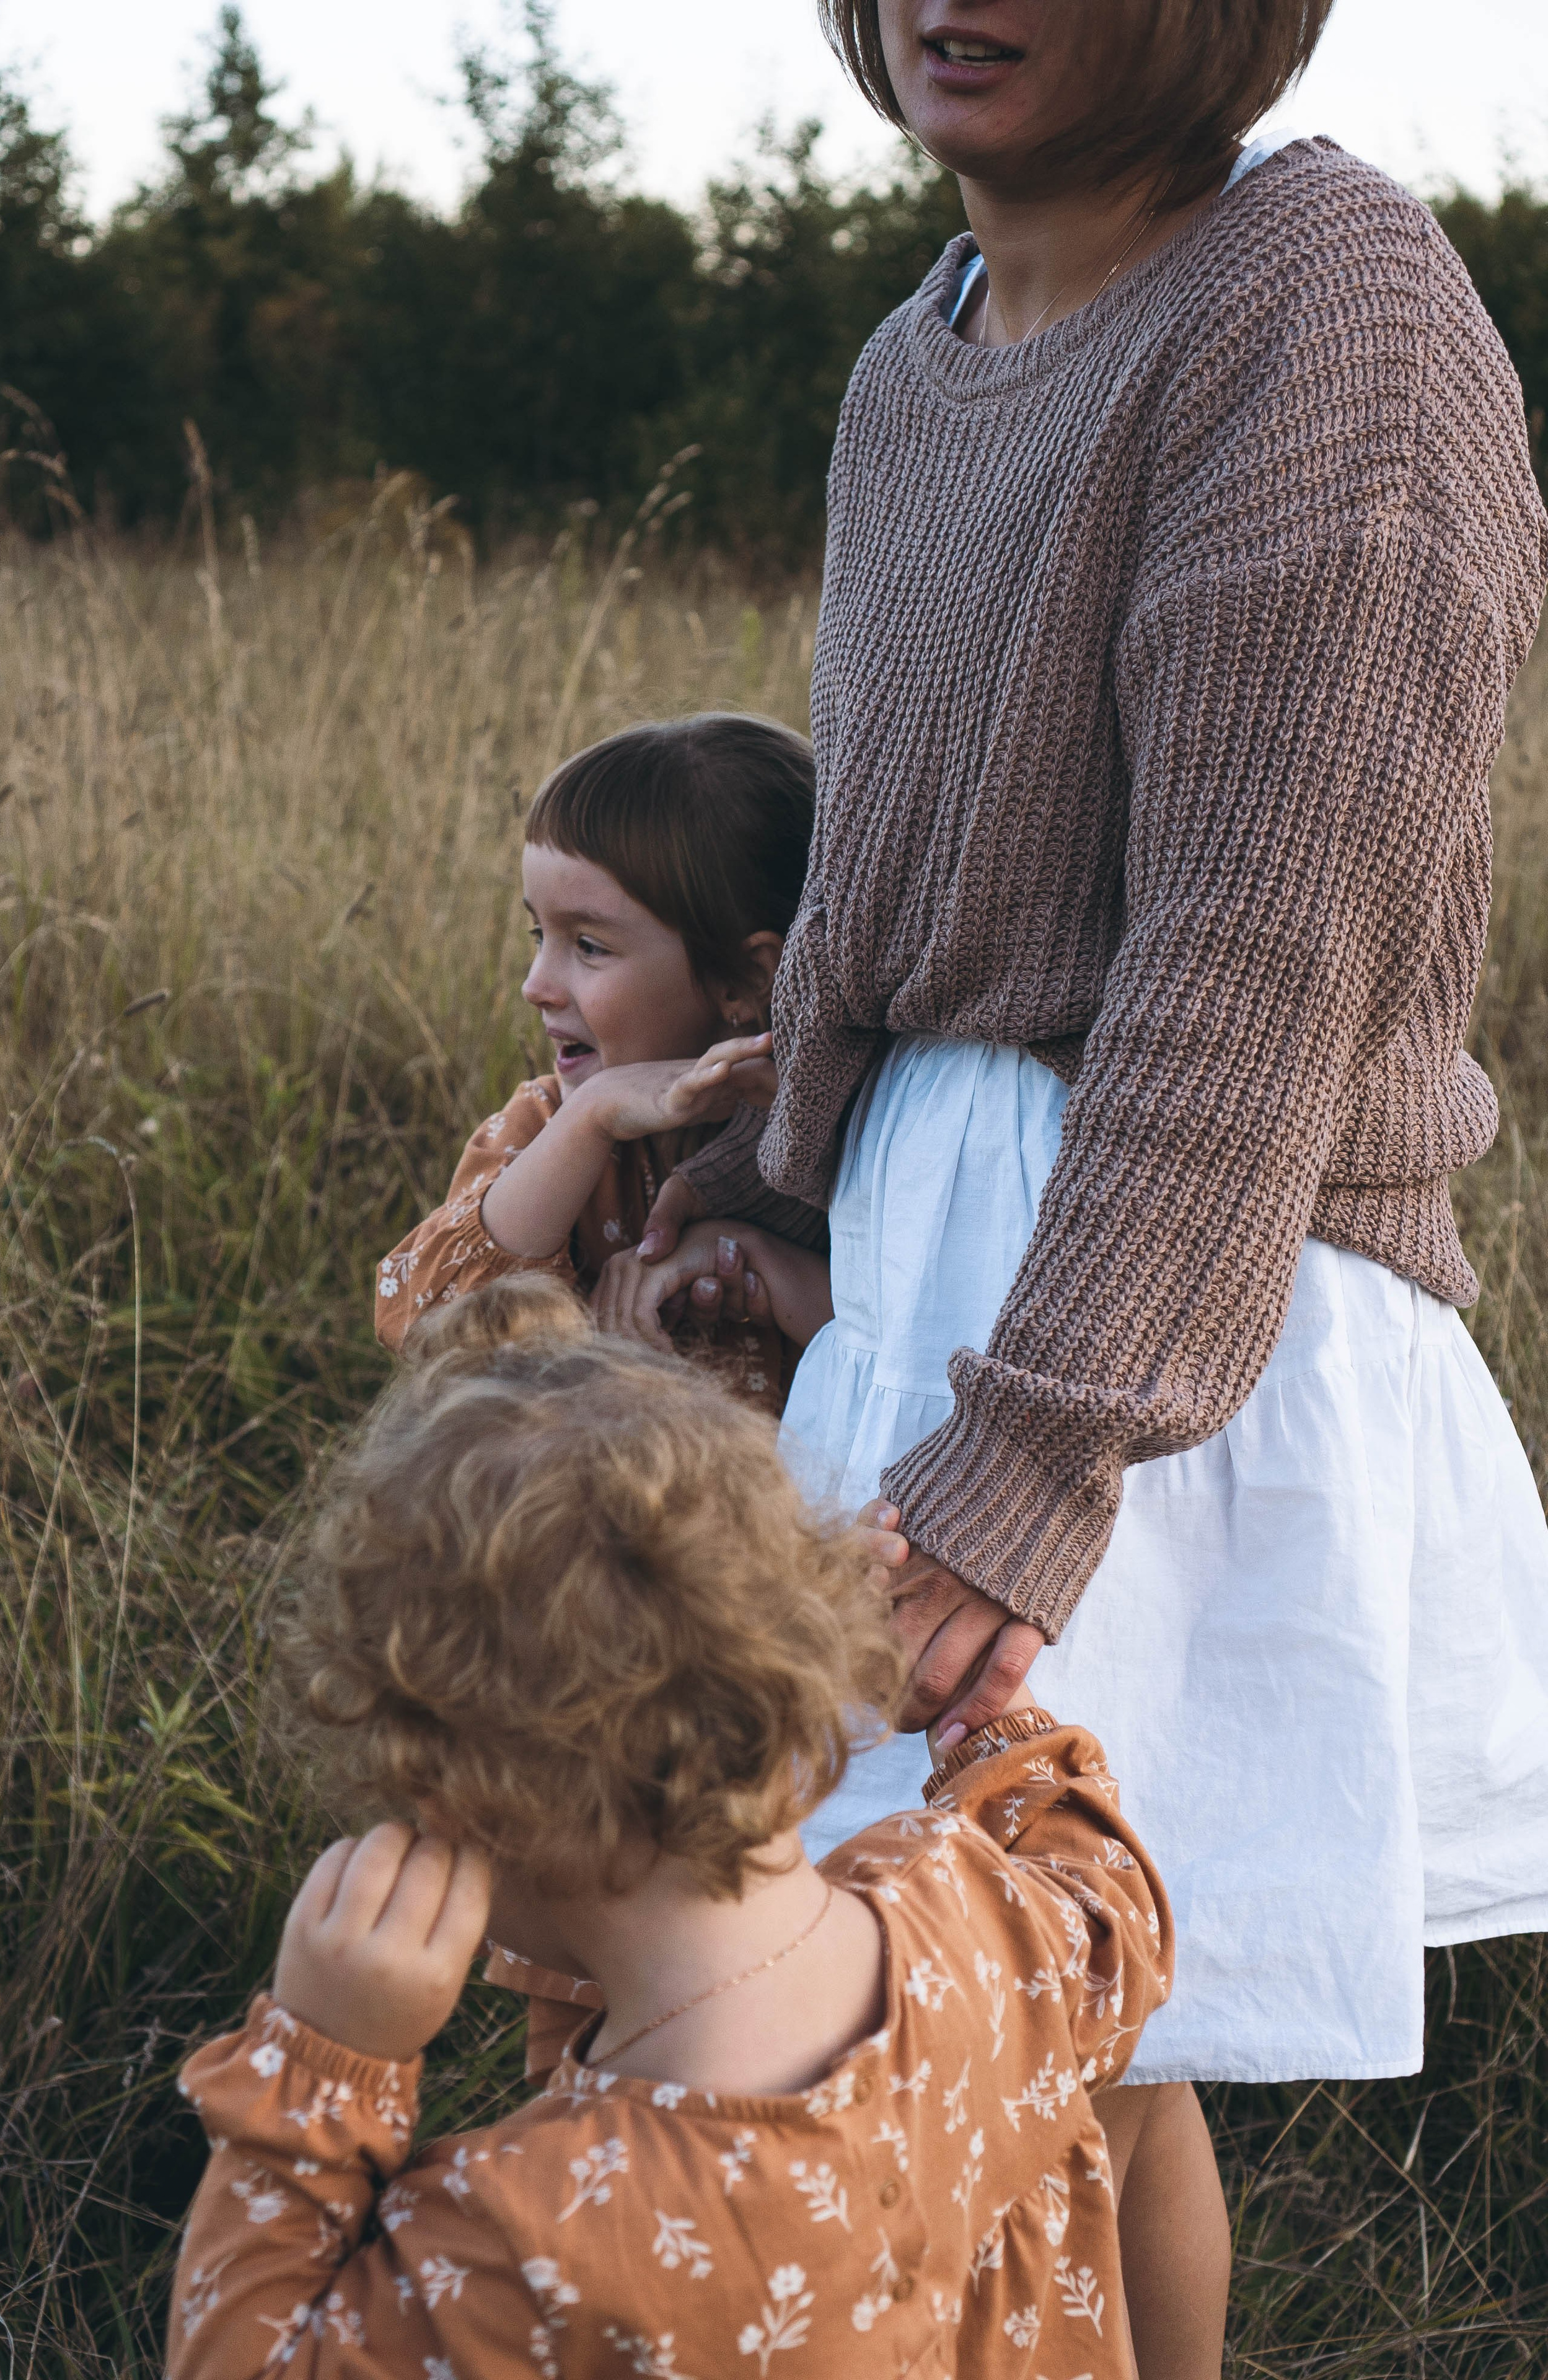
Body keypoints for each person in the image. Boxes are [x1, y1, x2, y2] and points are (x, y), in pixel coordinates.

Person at [607, 4, 1548, 2374]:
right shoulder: (904, 363)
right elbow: (877, 889)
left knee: (1034, 2051)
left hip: (1154, 1301)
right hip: (935, 1247)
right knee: (980, 2046)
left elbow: (1267, 938)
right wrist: (772, 1200)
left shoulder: (1316, 293)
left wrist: (1036, 1450)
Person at [167, 1277, 1174, 2379]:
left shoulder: (535, 2238)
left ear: (458, 1805)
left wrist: (328, 2069)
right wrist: (992, 1731)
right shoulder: (976, 1919)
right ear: (799, 1647)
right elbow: (1105, 1892)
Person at [374, 713, 832, 1404]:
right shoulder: (547, 1127)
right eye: (539, 932)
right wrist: (589, 1117)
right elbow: (429, 1329)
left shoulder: (838, 1143)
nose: (536, 985)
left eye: (589, 946)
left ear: (745, 981)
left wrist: (756, 1259)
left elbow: (918, 1353)